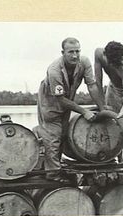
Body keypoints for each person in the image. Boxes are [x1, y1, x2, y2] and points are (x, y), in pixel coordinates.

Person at [37, 37, 104, 182]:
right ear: (63, 53)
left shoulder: (84, 62)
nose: (75, 55)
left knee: (63, 134)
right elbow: (60, 99)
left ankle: (56, 167)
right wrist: (84, 111)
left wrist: (102, 108)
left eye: (77, 51)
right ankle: (53, 174)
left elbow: (91, 85)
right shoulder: (54, 70)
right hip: (50, 103)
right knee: (53, 137)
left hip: (67, 101)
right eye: (71, 52)